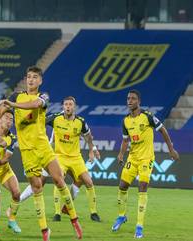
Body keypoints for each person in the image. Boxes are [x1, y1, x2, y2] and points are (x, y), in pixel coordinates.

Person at [0, 66, 82, 240]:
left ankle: (74, 220)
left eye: (34, 77)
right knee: (37, 188)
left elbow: (36, 105)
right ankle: (45, 231)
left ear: (40, 81)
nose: (31, 80)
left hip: (43, 146)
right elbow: (1, 112)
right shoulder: (16, 95)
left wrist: (13, 105)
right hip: (27, 150)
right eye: (28, 76)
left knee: (60, 179)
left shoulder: (43, 96)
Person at [111, 89, 179, 238]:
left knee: (142, 187)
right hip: (132, 158)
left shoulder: (148, 117)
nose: (130, 101)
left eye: (133, 99)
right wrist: (121, 154)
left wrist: (171, 150)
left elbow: (163, 130)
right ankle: (122, 216)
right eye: (128, 98)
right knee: (122, 186)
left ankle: (139, 226)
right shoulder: (126, 121)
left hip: (146, 158)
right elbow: (125, 140)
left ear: (138, 101)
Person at [46, 96, 101, 222]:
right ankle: (57, 213)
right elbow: (40, 122)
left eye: (70, 104)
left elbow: (88, 137)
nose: (68, 107)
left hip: (76, 158)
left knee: (89, 182)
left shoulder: (80, 122)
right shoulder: (55, 118)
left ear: (74, 107)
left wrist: (92, 150)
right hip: (60, 157)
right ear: (63, 107)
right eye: (66, 104)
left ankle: (93, 213)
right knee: (59, 181)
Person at [0, 108, 22, 233]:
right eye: (6, 118)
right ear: (0, 119)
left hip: (3, 169)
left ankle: (12, 219)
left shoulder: (12, 138)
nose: (9, 121)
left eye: (11, 119)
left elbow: (5, 160)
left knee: (17, 193)